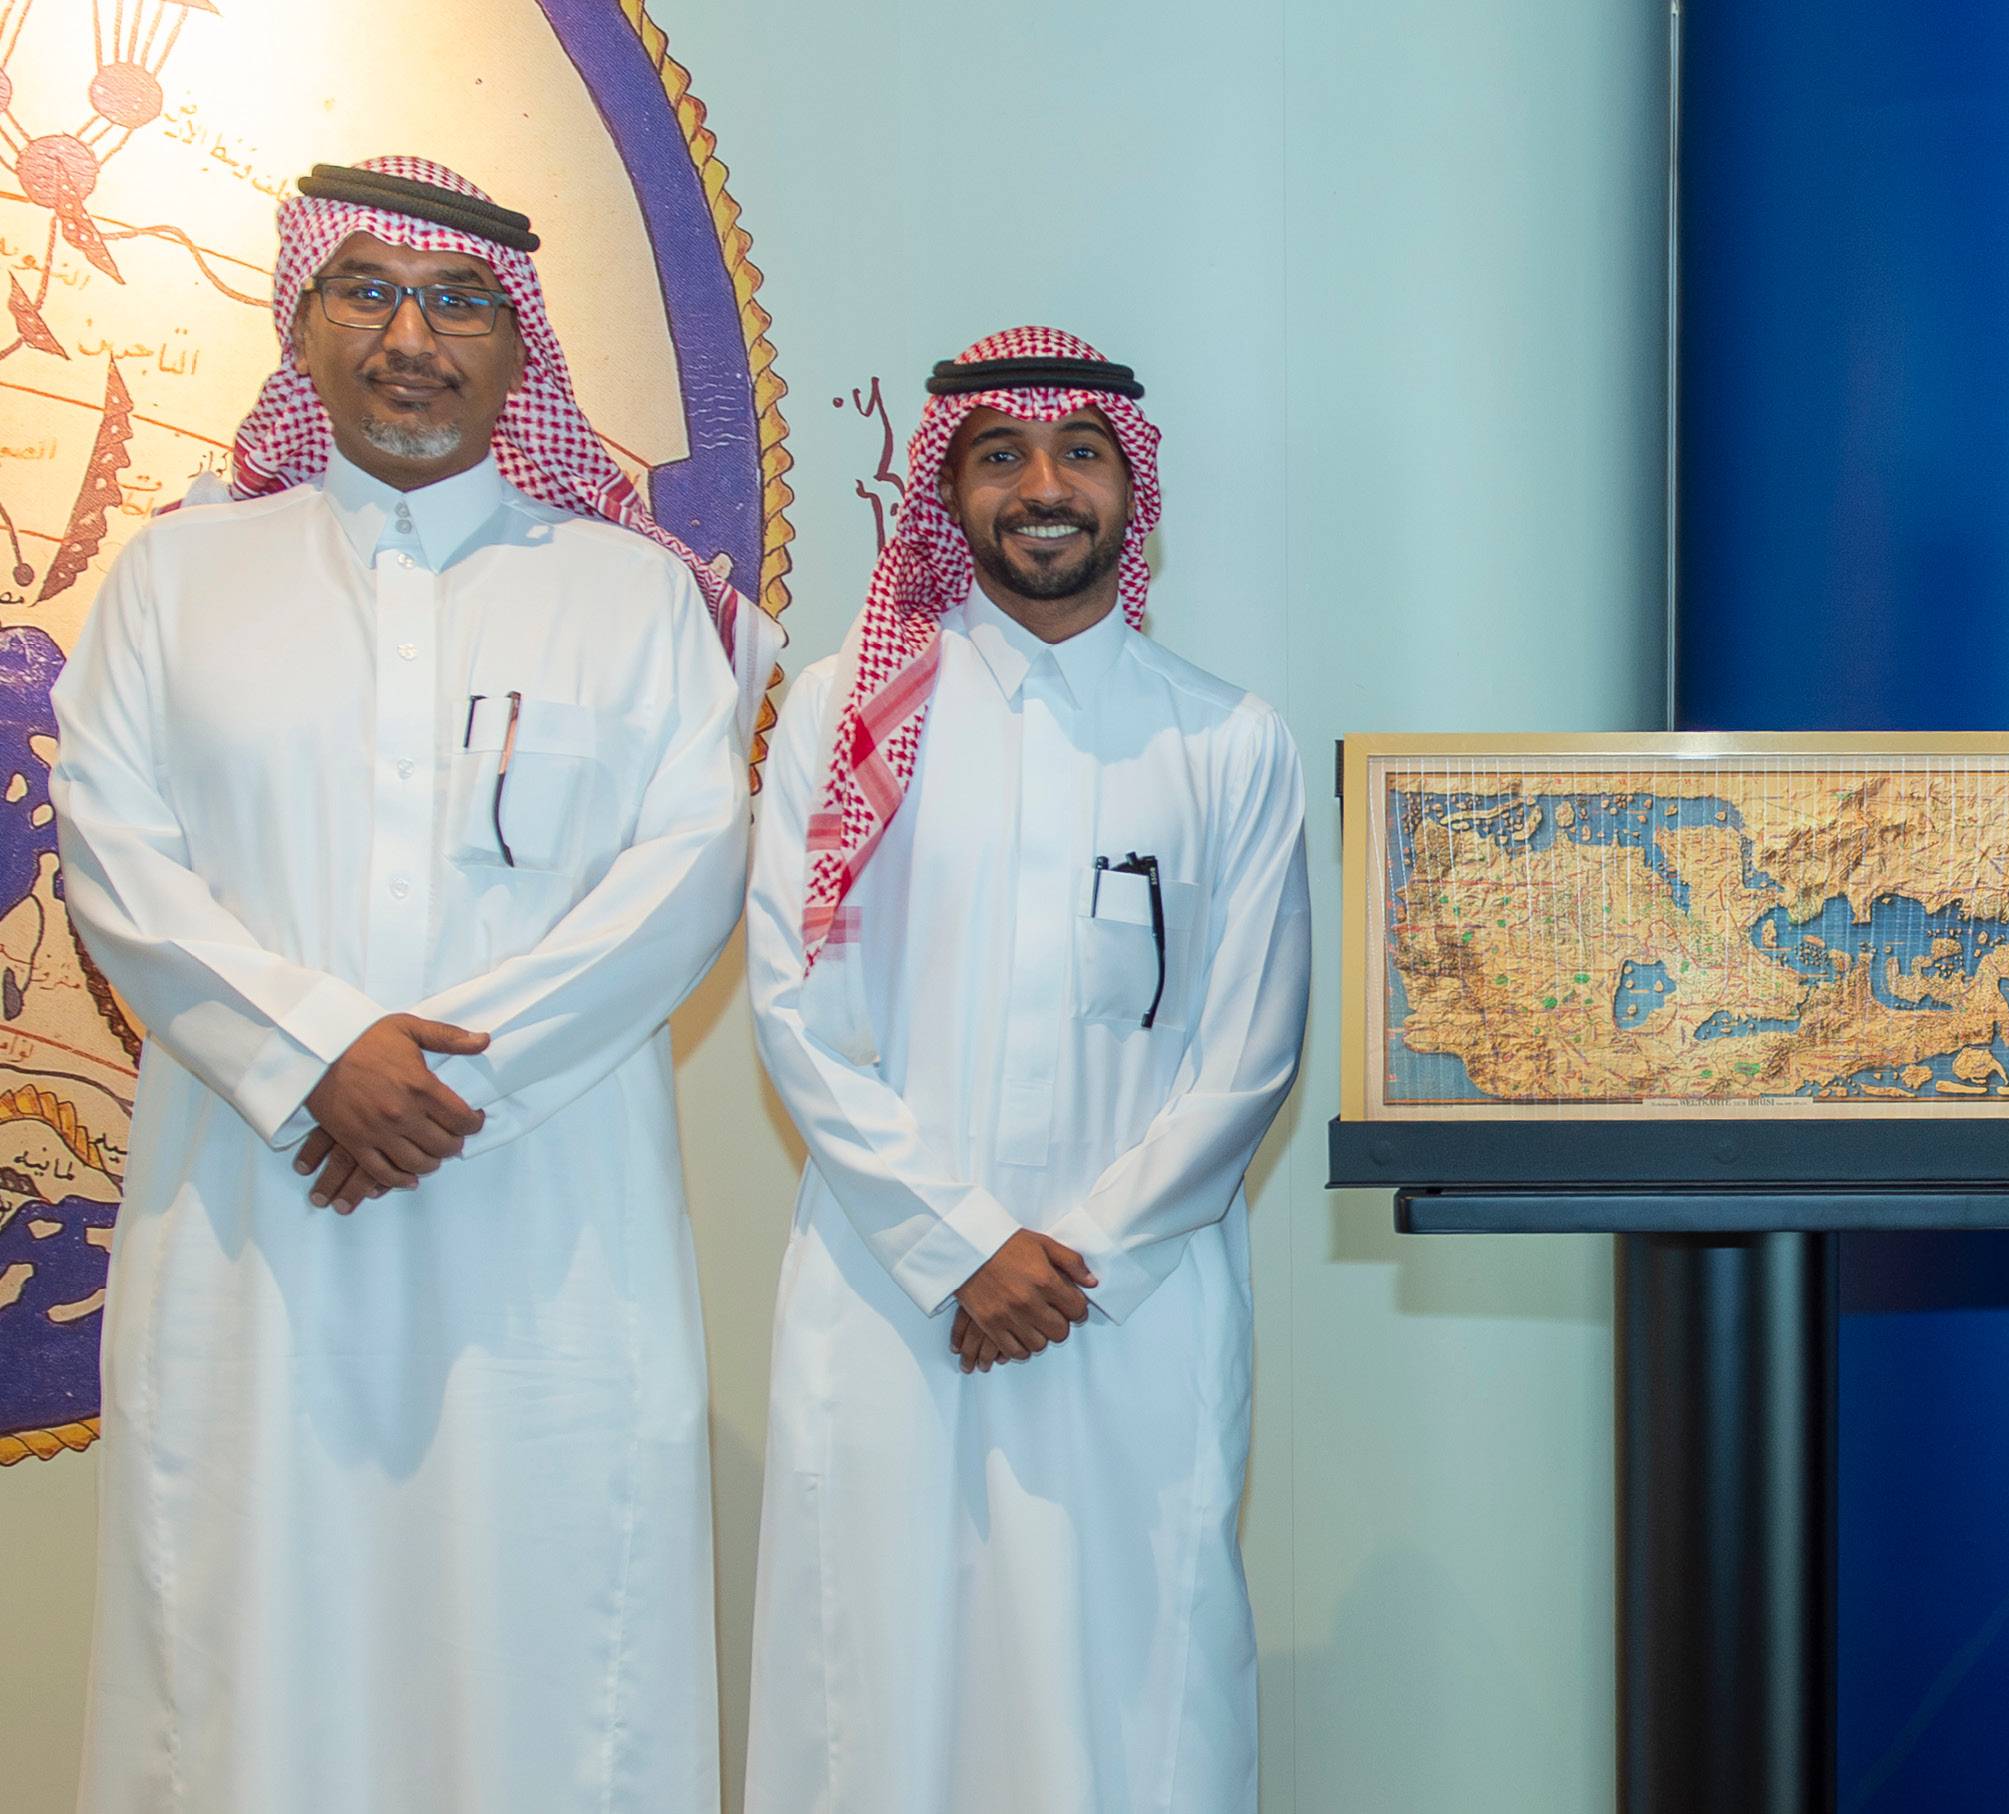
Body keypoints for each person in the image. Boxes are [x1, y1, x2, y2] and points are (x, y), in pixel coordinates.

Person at [52, 157, 748, 1812]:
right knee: (242, 1626)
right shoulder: (176, 580)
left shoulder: (634, 598)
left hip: (546, 1231)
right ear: (299, 326)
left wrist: (446, 1083)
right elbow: (116, 858)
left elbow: (686, 876)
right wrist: (313, 1055)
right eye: (365, 292)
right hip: (255, 1217)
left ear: (522, 348)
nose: (409, 337)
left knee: (549, 1623)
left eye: (456, 302)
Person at [743, 325, 1312, 1811]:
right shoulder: (844, 719)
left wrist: (1076, 1260)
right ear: (946, 492)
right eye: (999, 456)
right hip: (891, 1294)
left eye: (1080, 454)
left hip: (1135, 1304)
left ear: (1134, 490)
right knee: (877, 1682)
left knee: (1134, 1685)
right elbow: (795, 1011)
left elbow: (1250, 1054)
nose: (1043, 487)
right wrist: (961, 1245)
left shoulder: (1226, 740)